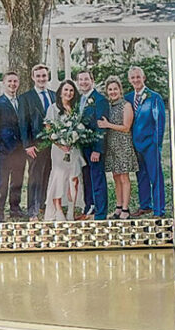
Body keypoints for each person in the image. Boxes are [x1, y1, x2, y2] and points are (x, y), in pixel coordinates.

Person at [125, 66, 166, 217]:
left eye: (138, 77)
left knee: (156, 177)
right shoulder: (128, 98)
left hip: (150, 144)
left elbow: (159, 123)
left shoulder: (154, 97)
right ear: (129, 80)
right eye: (133, 77)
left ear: (144, 78)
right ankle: (145, 205)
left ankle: (159, 209)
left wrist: (156, 144)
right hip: (135, 145)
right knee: (141, 176)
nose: (136, 80)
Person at [43, 79, 86, 222]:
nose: (69, 93)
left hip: (73, 149)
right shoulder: (53, 108)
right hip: (59, 150)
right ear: (60, 92)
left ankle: (71, 211)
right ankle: (58, 209)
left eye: (71, 90)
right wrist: (61, 145)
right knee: (59, 179)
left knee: (74, 180)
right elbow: (49, 131)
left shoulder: (75, 109)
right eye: (66, 90)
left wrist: (74, 140)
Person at [0, 71, 26, 221]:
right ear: (4, 83)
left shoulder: (21, 102)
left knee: (17, 180)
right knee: (2, 182)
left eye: (15, 81)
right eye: (9, 81)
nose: (12, 84)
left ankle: (15, 208)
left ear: (18, 83)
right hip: (4, 151)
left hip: (19, 150)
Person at [98, 76, 139, 219]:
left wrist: (108, 125)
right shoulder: (109, 106)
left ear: (120, 90)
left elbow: (126, 127)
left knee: (124, 177)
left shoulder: (126, 105)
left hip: (123, 144)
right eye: (110, 89)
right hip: (111, 145)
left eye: (115, 89)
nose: (113, 92)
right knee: (115, 176)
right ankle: (119, 207)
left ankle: (126, 209)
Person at [19, 63, 56, 220]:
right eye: (38, 76)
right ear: (33, 77)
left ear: (48, 77)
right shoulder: (25, 98)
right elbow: (23, 123)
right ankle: (32, 211)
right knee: (35, 177)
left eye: (44, 76)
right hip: (35, 144)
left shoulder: (54, 95)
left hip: (53, 144)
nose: (41, 79)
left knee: (48, 174)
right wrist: (27, 145)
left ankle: (42, 203)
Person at [76, 70, 110, 220]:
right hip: (82, 147)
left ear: (92, 81)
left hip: (94, 147)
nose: (83, 82)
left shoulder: (100, 100)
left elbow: (101, 127)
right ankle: (89, 207)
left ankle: (101, 213)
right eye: (81, 80)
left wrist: (97, 149)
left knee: (97, 178)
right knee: (87, 179)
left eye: (86, 79)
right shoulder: (79, 100)